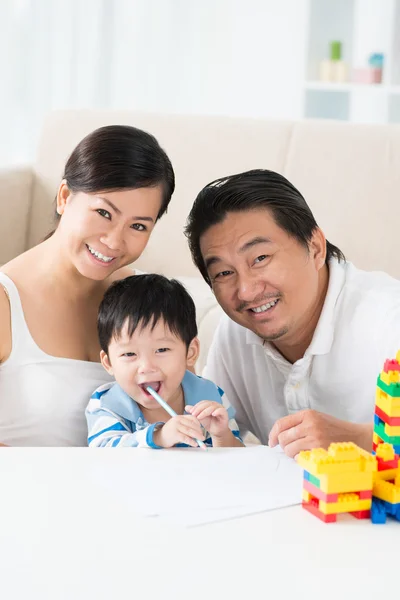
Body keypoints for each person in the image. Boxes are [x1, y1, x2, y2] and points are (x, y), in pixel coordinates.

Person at [184, 169, 400, 458]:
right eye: (223, 273)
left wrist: (358, 439)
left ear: (315, 247)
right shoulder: (236, 332)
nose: (246, 291)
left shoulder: (388, 318)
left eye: (260, 258)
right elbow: (216, 439)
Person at [0, 124, 175, 446]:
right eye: (103, 213)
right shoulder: (5, 301)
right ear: (65, 197)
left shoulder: (145, 299)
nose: (114, 241)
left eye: (137, 225)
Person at [86, 274, 242, 448]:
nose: (146, 367)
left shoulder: (210, 395)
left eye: (161, 350)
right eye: (129, 354)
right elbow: (102, 455)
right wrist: (159, 437)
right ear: (108, 363)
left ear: (190, 352)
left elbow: (237, 460)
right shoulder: (107, 404)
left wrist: (221, 435)